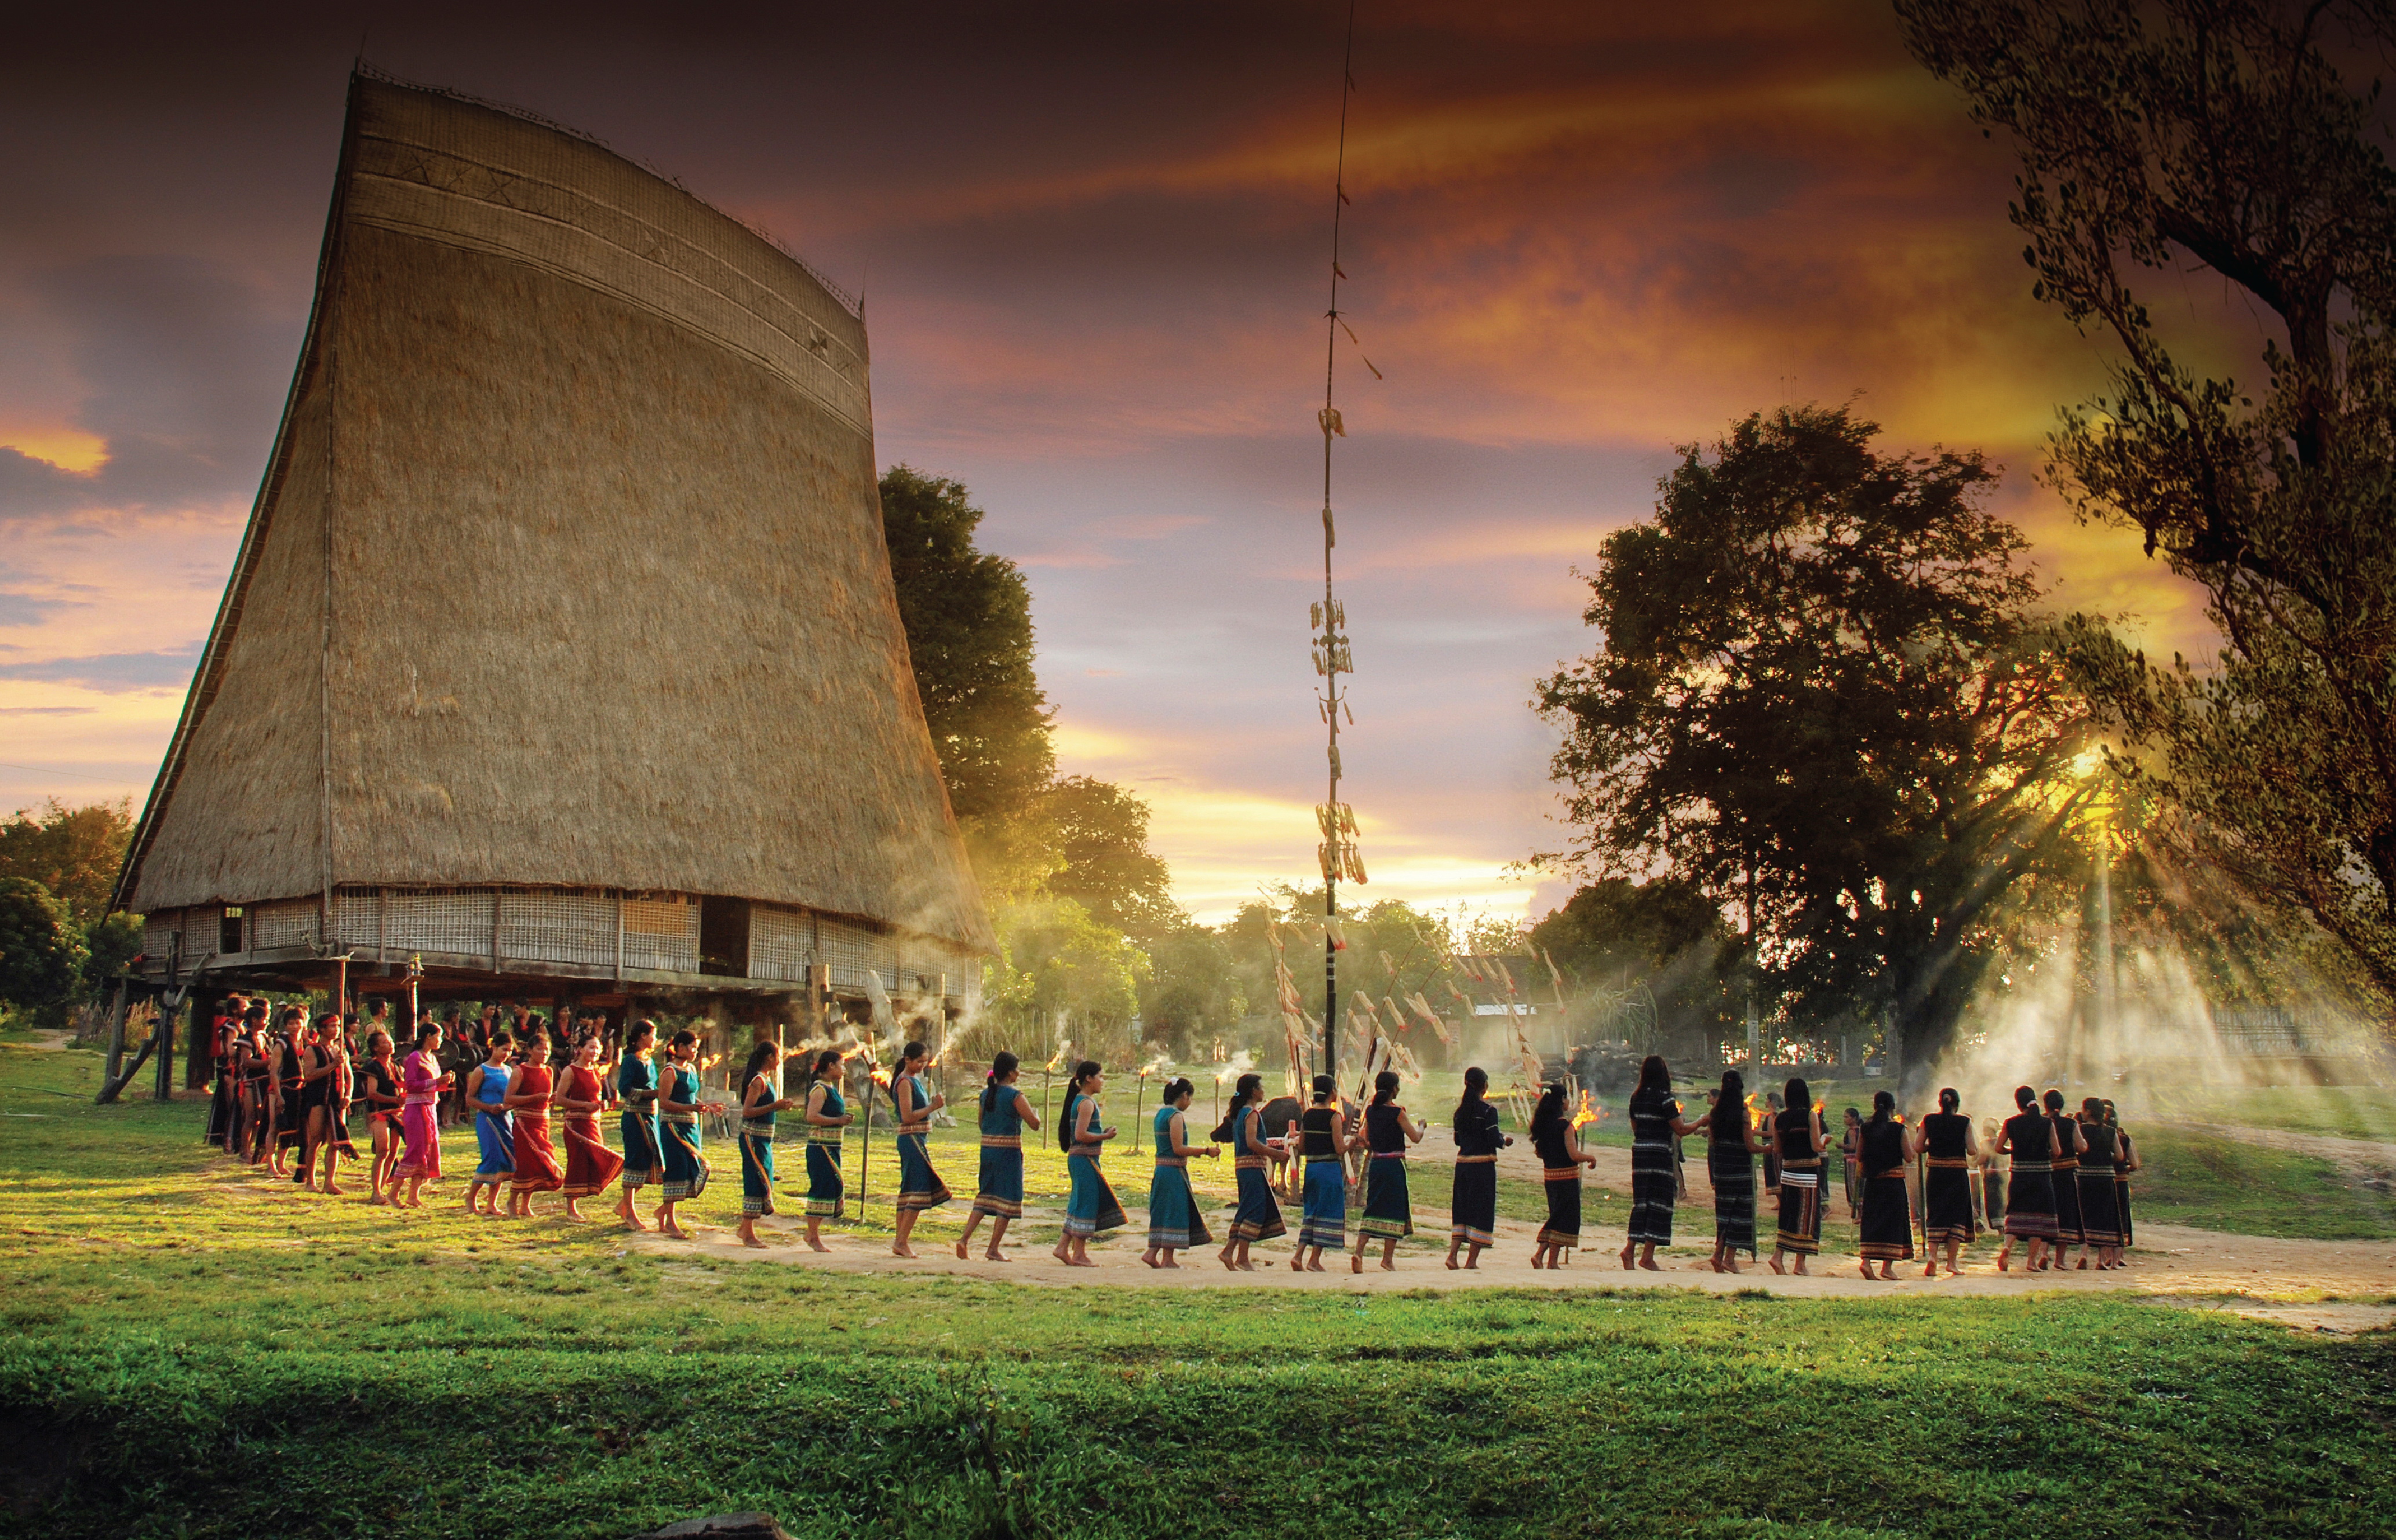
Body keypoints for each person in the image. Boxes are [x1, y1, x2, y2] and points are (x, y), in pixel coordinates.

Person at [957, 1051, 1042, 1261]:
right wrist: (1037, 1115)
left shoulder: (986, 1095)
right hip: (1008, 1154)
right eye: (1017, 1070)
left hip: (987, 1151)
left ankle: (964, 1239)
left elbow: (980, 1123)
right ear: (1012, 1073)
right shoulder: (1015, 1096)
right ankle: (993, 1248)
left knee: (985, 1196)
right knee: (1007, 1200)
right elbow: (1034, 1124)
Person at [1621, 1055, 1698, 1270]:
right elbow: (1680, 1129)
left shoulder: (1636, 1098)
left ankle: (1629, 1250)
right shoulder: (1666, 1099)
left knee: (1642, 1202)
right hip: (1659, 1156)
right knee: (1660, 1203)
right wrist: (1702, 1121)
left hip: (1640, 1155)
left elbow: (1636, 1128)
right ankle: (1647, 1256)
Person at [1141, 1076, 1219, 1268]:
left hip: (1161, 1171)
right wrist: (1205, 1151)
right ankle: (1167, 1259)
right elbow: (1178, 1148)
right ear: (1184, 1096)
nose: (1190, 1103)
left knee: (1162, 1211)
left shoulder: (1160, 1114)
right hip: (1173, 1173)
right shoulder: (1175, 1116)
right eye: (1190, 1098)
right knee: (1174, 1212)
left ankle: (1152, 1253)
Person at [1352, 1069, 1424, 1273]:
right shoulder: (1398, 1112)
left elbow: (1365, 1140)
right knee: (1395, 1209)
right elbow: (1415, 1138)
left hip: (1376, 1164)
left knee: (1373, 1206)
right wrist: (1422, 1126)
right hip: (1394, 1166)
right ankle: (1387, 1259)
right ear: (1394, 1089)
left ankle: (1359, 1252)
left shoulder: (1371, 1111)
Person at [1055, 1060, 1126, 1266]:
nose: (1102, 1081)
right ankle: (1079, 1254)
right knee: (1087, 1203)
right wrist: (1105, 1137)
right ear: (1089, 1079)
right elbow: (1081, 1135)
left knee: (1079, 1203)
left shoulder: (1079, 1101)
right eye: (1100, 1077)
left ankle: (1062, 1247)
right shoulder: (1086, 1103)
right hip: (1084, 1159)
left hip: (1083, 1159)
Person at [1217, 1072, 1288, 1271]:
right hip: (1252, 1168)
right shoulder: (1252, 1115)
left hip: (1244, 1167)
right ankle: (1242, 1257)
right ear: (1254, 1091)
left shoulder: (1239, 1114)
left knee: (1246, 1209)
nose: (1263, 1091)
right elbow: (1252, 1143)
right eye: (1261, 1087)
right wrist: (1276, 1154)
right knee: (1255, 1210)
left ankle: (1229, 1252)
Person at [1697, 1069, 1765, 1275]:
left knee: (1724, 1213)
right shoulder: (1743, 1113)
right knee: (1739, 1213)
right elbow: (1751, 1146)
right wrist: (1770, 1149)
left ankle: (1718, 1255)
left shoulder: (1715, 1113)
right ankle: (1729, 1258)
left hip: (1722, 1167)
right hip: (1740, 1168)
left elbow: (1714, 1141)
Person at [734, 1041, 799, 1248]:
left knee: (763, 1178)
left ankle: (746, 1228)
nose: (780, 1060)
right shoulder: (758, 1082)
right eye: (778, 1056)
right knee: (755, 1180)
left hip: (763, 1140)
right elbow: (747, 1112)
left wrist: (777, 1107)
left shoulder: (766, 1081)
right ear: (770, 1057)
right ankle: (748, 1233)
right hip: (753, 1138)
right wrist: (775, 1106)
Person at [1445, 1066, 1511, 1270]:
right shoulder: (1489, 1112)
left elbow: (1458, 1141)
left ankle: (1452, 1256)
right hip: (1482, 1167)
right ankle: (1471, 1261)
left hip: (1463, 1166)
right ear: (1484, 1086)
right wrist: (1504, 1141)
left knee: (1463, 1211)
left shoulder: (1459, 1113)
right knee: (1481, 1212)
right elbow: (1493, 1138)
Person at [656, 1029, 719, 1241]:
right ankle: (670, 1222)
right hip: (673, 1127)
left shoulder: (691, 1069)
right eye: (692, 1047)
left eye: (696, 1048)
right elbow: (664, 1102)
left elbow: (691, 1097)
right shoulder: (670, 1072)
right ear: (680, 1048)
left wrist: (706, 1106)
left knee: (693, 1167)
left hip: (691, 1127)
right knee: (677, 1169)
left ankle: (663, 1212)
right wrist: (690, 1107)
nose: (695, 1052)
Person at [890, 1040, 951, 1258]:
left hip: (918, 1139)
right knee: (918, 1190)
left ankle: (900, 1240)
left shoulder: (914, 1080)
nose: (922, 1066)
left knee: (909, 1189)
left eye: (925, 1062)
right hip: (911, 1139)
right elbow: (907, 1117)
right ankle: (902, 1241)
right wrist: (932, 1107)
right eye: (919, 1062)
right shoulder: (904, 1082)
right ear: (907, 1060)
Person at [1528, 1082, 1598, 1269]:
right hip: (1566, 1179)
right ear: (1561, 1101)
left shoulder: (1544, 1125)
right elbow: (1573, 1155)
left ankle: (1550, 1260)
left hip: (1550, 1178)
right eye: (1566, 1097)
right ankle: (1542, 1255)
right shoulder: (1565, 1126)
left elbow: (1540, 1153)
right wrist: (1590, 1157)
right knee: (1563, 1218)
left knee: (1557, 1216)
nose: (1568, 1101)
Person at [556, 1033, 623, 1222]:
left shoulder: (596, 1072)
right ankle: (571, 1207)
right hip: (576, 1124)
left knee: (596, 1160)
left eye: (598, 1048)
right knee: (576, 1163)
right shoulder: (571, 1071)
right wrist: (585, 1106)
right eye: (591, 1048)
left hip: (593, 1123)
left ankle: (587, 1193)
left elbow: (595, 1096)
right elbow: (560, 1100)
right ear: (580, 1049)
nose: (595, 1052)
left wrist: (603, 1105)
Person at [1914, 1087, 1979, 1276]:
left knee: (1936, 1213)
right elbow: (1973, 1150)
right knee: (1957, 1216)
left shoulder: (1928, 1120)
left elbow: (1918, 1147)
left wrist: (1932, 1146)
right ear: (1957, 1104)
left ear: (1940, 1103)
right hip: (1957, 1174)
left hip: (1936, 1173)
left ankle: (1933, 1257)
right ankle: (1951, 1263)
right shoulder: (1965, 1121)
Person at [1291, 1074, 1352, 1272]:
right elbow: (1340, 1149)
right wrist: (1353, 1141)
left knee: (1311, 1212)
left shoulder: (1307, 1115)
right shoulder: (1334, 1117)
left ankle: (1298, 1255)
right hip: (1329, 1169)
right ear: (1332, 1092)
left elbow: (1302, 1147)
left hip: (1312, 1169)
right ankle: (1314, 1260)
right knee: (1328, 1211)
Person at [389, 1024, 453, 1207]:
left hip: (430, 1107)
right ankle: (394, 1193)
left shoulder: (432, 1059)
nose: (440, 1041)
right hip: (416, 1109)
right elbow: (410, 1085)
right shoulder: (414, 1058)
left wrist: (444, 1082)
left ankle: (413, 1195)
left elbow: (434, 1086)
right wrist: (436, 1082)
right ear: (428, 1037)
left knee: (428, 1149)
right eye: (438, 1036)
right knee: (415, 1149)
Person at [1768, 1078, 1827, 1275]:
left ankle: (1778, 1256)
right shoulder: (1810, 1116)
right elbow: (1816, 1146)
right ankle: (1800, 1265)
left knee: (1789, 1214)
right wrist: (1825, 1139)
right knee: (1808, 1216)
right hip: (1808, 1173)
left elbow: (1776, 1149)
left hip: (1788, 1172)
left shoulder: (1780, 1119)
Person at [1994, 1084, 2056, 1272]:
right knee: (2038, 1219)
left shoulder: (2011, 1123)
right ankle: (2031, 1261)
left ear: (2018, 1103)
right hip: (2041, 1177)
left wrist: (2011, 1150)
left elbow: (1998, 1148)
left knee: (2015, 1214)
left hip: (2019, 1175)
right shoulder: (2047, 1123)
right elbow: (2057, 1151)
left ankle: (2006, 1247)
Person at [1855, 1091, 1914, 1279]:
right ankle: (1887, 1268)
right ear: (1892, 1107)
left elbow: (1858, 1156)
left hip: (1872, 1184)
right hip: (1894, 1184)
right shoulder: (1899, 1129)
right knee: (1893, 1224)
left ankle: (1866, 1262)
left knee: (1871, 1222)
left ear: (1874, 1106)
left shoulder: (1866, 1128)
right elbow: (1910, 1156)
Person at [505, 1030, 562, 1219]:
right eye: (540, 1049)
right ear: (529, 1050)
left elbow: (548, 1098)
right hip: (524, 1122)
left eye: (547, 1050)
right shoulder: (520, 1071)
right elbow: (509, 1099)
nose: (544, 1053)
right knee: (525, 1163)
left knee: (540, 1162)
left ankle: (526, 1205)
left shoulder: (549, 1071)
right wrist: (533, 1098)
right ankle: (512, 1201)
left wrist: (551, 1100)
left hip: (543, 1122)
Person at [614, 1021, 665, 1232]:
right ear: (643, 1036)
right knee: (635, 1162)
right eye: (653, 1035)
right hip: (635, 1118)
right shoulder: (630, 1060)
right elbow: (624, 1089)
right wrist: (651, 1094)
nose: (655, 1039)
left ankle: (624, 1205)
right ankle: (630, 1212)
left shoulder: (650, 1061)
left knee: (651, 1162)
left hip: (650, 1117)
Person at [802, 1048, 853, 1252]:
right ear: (830, 1066)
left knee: (831, 1186)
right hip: (820, 1147)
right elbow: (812, 1117)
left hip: (831, 1146)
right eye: (841, 1065)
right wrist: (838, 1121)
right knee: (821, 1187)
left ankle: (813, 1233)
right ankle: (812, 1235)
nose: (844, 1070)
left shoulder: (831, 1088)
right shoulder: (820, 1090)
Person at [460, 1031, 516, 1216]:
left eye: (509, 1051)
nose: (506, 1054)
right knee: (491, 1158)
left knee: (504, 1160)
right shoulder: (481, 1070)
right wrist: (488, 1107)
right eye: (503, 1049)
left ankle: (492, 1203)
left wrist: (507, 1107)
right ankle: (471, 1197)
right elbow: (470, 1098)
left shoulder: (509, 1070)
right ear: (493, 1047)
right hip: (488, 1120)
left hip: (506, 1119)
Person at [2075, 1097, 2126, 1269]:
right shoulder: (2111, 1131)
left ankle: (2083, 1255)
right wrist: (2105, 1156)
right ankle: (2100, 1260)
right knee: (2106, 1217)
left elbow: (2076, 1150)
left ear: (2088, 1111)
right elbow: (2120, 1156)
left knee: (2085, 1216)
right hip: (2105, 1177)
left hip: (2084, 1177)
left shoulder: (2080, 1129)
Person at [358, 1029, 405, 1204]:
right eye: (385, 1042)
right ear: (376, 1048)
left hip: (396, 1112)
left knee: (393, 1153)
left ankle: (383, 1186)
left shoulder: (397, 1066)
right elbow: (372, 1093)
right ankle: (375, 1191)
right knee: (382, 1151)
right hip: (380, 1112)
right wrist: (395, 1099)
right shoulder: (373, 1067)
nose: (390, 1043)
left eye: (390, 1040)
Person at [2044, 1088, 2087, 1270]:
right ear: (2061, 1106)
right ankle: (2059, 1260)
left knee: (2047, 1212)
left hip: (2046, 1173)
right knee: (2066, 1215)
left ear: (2045, 1104)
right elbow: (2081, 1147)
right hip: (2067, 1175)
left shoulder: (2041, 1122)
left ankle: (2043, 1253)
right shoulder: (2071, 1124)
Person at [2106, 1100, 2138, 1250]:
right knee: (2122, 1214)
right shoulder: (2125, 1139)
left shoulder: (2100, 1134)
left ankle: (2102, 1248)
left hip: (2103, 1179)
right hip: (2121, 1180)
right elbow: (2135, 1164)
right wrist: (2126, 1170)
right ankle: (2119, 1251)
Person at [1840, 1106, 1865, 1222]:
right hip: (1859, 1161)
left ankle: (1860, 1214)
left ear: (1854, 1118)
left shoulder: (1852, 1131)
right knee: (1859, 1186)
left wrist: (1841, 1146)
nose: (1845, 1119)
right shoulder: (1860, 1129)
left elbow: (1853, 1146)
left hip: (1852, 1161)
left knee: (1853, 1185)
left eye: (1847, 1117)